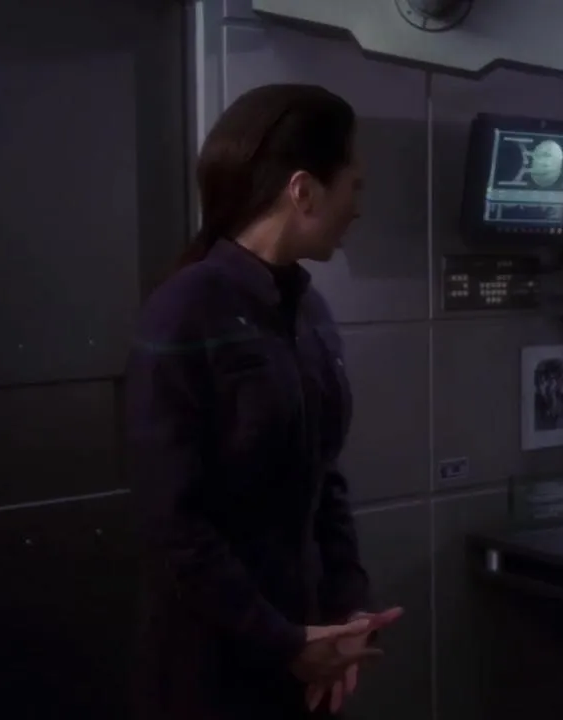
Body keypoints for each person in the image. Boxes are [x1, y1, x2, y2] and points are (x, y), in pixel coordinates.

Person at [127, 83, 403, 719]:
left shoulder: (308, 311)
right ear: (304, 191)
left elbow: (324, 479)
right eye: (353, 185)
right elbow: (173, 524)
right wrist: (282, 641)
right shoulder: (185, 311)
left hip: (307, 658)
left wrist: (348, 610)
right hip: (212, 668)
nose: (358, 208)